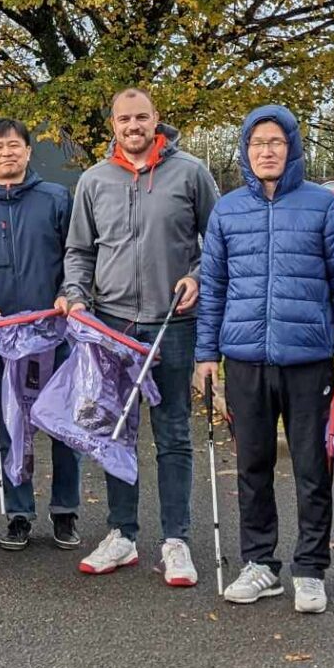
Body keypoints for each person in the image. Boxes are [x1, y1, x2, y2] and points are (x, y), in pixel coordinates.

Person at [195, 106, 334, 616]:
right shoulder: (226, 211)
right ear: (245, 151)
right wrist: (206, 355)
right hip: (244, 359)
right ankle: (260, 565)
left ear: (291, 147)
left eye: (275, 141)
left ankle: (310, 569)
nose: (266, 151)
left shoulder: (325, 207)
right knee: (252, 465)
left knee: (313, 466)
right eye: (256, 143)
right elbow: (213, 289)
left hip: (308, 358)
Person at [59, 87, 220, 586]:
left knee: (172, 433)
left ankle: (177, 541)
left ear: (157, 120)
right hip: (111, 326)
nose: (133, 126)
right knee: (114, 433)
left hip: (172, 324)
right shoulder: (93, 180)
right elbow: (79, 251)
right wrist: (78, 296)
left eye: (142, 117)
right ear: (113, 124)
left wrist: (198, 275)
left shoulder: (190, 173)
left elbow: (216, 244)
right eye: (124, 118)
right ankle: (122, 534)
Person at [0, 118, 79, 551]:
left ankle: (65, 511)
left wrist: (69, 292)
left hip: (55, 335)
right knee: (10, 428)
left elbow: (77, 257)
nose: (7, 153)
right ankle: (19, 513)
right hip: (0, 338)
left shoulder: (56, 198)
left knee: (63, 426)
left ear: (29, 152)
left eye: (15, 146)